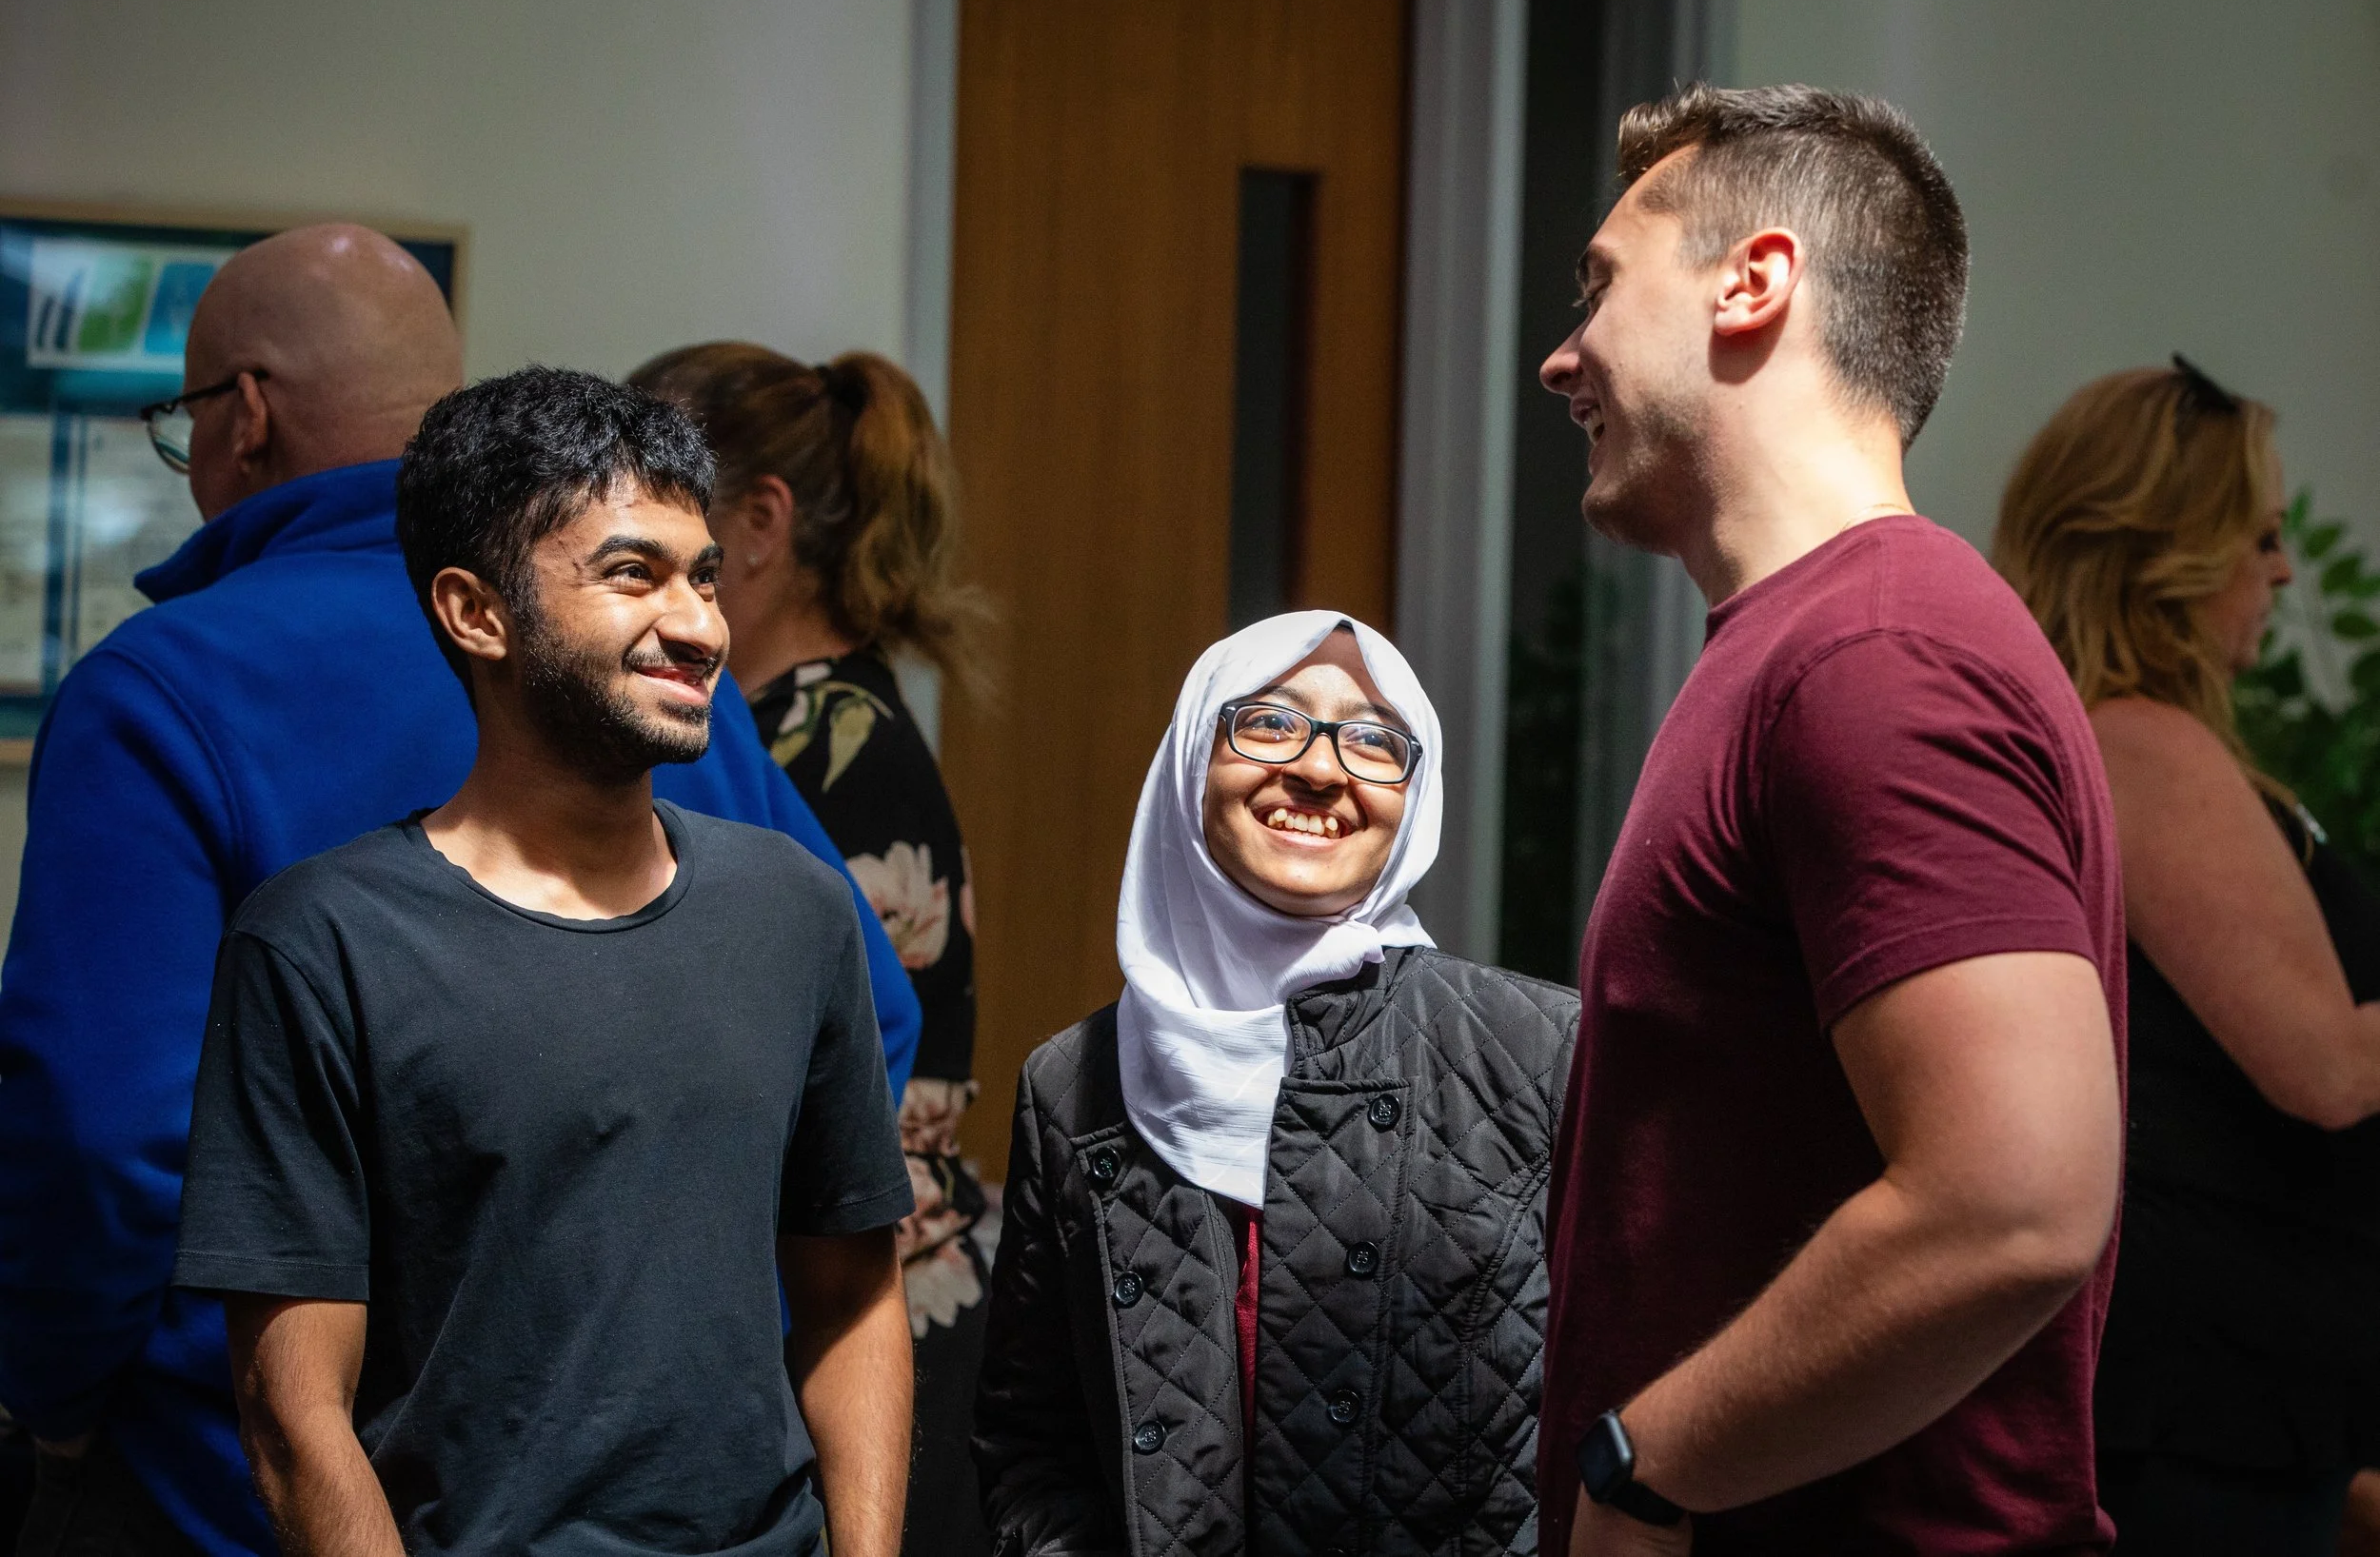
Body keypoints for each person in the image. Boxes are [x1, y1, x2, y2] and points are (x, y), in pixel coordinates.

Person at [0, 226, 922, 1557]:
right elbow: (878, 1033)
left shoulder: (166, 683)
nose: (695, 621)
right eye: (644, 571)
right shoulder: (324, 905)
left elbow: (100, 1138)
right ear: (473, 612)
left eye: (705, 575)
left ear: (240, 415)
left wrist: (57, 1399)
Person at [1534, 84, 2126, 1555]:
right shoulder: (1817, 644)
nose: (1563, 357)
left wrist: (1640, 1468)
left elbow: (2017, 1196)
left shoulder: (1873, 655)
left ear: (1755, 281)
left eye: (1603, 285)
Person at [975, 611, 1578, 1555]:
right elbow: (1031, 1442)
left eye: (1376, 740)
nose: (1320, 768)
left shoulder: (1537, 1052)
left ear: (1415, 796)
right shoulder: (1070, 1085)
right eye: (1267, 722)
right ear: (1189, 761)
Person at [1994, 362, 2380, 1554]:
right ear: (2163, 549)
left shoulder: (2120, 737)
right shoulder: (2136, 741)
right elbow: (2321, 1063)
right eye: (2255, 533)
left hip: (2239, 1400)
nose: (2282, 567)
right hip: (2209, 1409)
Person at [627, 342, 992, 1557]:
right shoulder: (809, 715)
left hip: (860, 1308)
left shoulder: (808, 744)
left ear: (760, 521)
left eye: (662, 503)